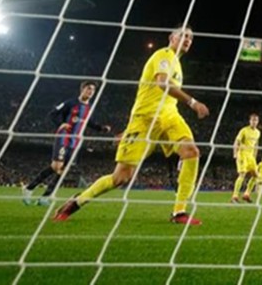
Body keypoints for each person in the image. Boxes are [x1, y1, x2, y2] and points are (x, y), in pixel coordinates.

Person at [52, 26, 209, 225]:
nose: (188, 39)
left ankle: (179, 212)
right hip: (144, 119)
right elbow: (162, 83)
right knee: (121, 177)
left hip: (170, 116)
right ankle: (77, 201)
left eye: (191, 37)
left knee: (191, 151)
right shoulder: (163, 55)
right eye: (184, 35)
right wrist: (193, 102)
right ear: (171, 37)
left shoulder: (177, 64)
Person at [23, 82, 112, 206]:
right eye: (88, 89)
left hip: (75, 142)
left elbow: (88, 122)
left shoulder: (88, 108)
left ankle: (45, 197)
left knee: (63, 170)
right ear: (82, 90)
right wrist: (61, 124)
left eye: (93, 90)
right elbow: (53, 114)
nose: (91, 92)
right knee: (56, 166)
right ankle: (29, 189)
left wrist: (101, 128)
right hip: (64, 137)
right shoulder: (71, 103)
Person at [232, 113, 261, 203]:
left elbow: (256, 145)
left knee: (256, 176)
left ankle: (246, 194)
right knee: (242, 174)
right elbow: (237, 141)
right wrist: (235, 153)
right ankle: (235, 196)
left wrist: (255, 156)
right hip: (242, 154)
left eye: (256, 120)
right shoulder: (244, 130)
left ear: (258, 121)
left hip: (250, 156)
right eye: (252, 120)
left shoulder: (258, 132)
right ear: (250, 121)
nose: (254, 122)